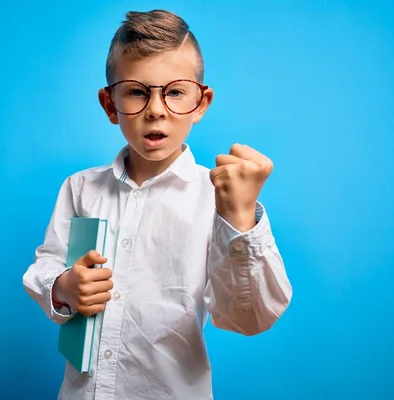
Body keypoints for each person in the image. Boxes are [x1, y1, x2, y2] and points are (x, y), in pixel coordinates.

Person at [23, 9, 293, 400]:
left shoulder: (214, 197)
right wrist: (62, 286)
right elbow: (46, 264)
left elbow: (249, 318)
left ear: (201, 103)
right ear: (109, 103)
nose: (155, 108)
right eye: (136, 90)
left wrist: (239, 220)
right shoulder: (80, 188)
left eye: (175, 91)